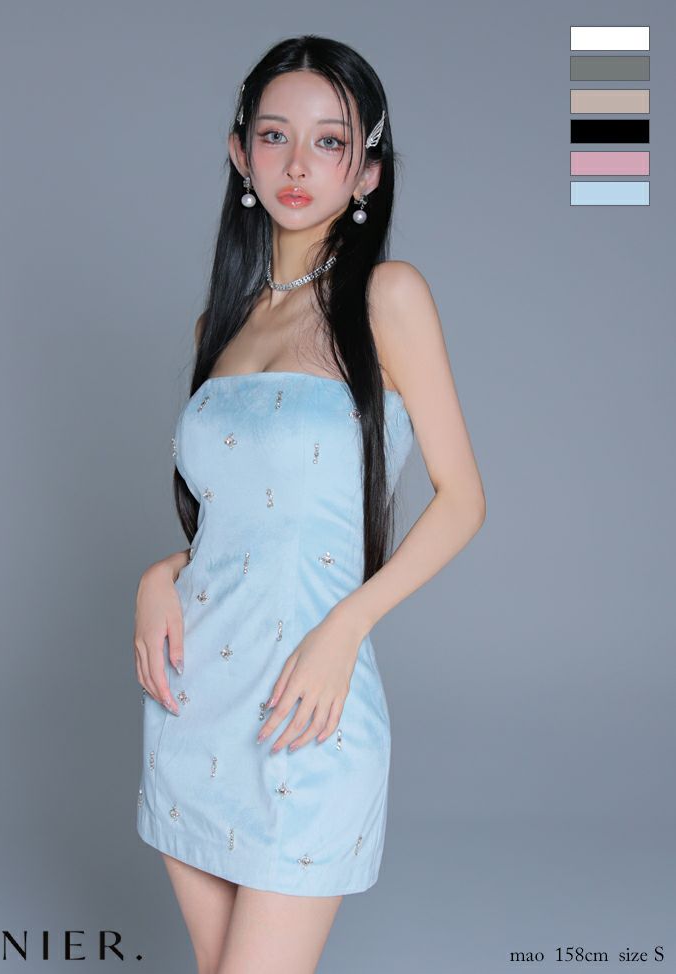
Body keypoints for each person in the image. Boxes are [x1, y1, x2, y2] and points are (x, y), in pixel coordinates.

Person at [133, 34, 486, 974]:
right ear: (239, 152)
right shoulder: (218, 325)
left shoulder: (388, 298)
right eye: (274, 135)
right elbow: (244, 518)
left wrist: (345, 630)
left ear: (366, 170)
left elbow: (463, 501)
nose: (298, 164)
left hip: (305, 703)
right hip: (192, 700)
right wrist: (159, 576)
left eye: (330, 142)